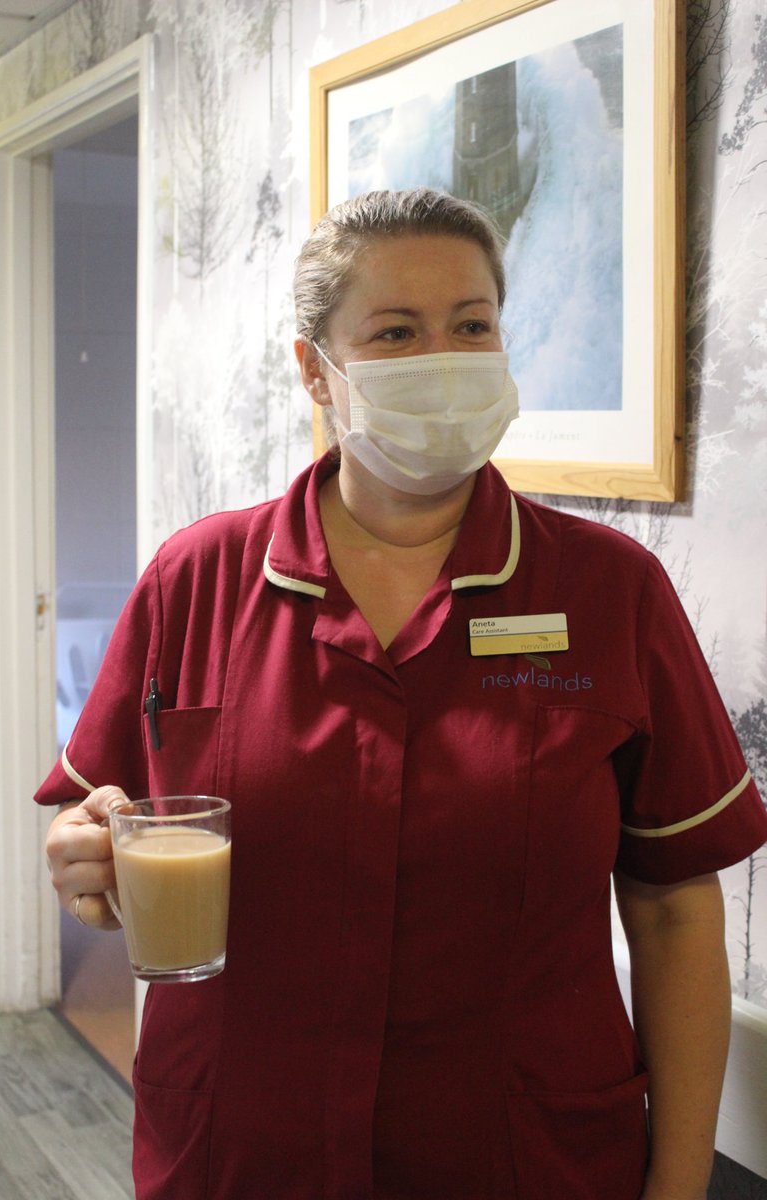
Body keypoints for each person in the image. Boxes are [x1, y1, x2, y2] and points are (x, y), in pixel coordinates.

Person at [39, 187, 767, 1200]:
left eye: (471, 325)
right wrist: (83, 855)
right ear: (315, 372)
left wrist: (677, 1188)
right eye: (395, 332)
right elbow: (100, 818)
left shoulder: (607, 590)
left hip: (521, 1158)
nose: (445, 359)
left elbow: (675, 912)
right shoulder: (196, 578)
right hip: (244, 1152)